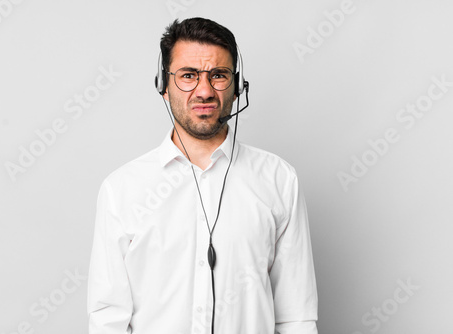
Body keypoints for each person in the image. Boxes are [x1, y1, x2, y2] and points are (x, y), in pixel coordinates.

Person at [87, 17, 318, 334]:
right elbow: (107, 319)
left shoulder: (279, 180)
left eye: (219, 75)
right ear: (163, 86)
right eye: (188, 76)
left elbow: (296, 317)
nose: (204, 91)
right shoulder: (121, 189)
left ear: (238, 87)